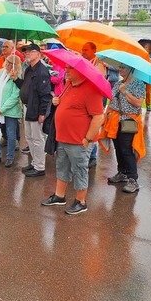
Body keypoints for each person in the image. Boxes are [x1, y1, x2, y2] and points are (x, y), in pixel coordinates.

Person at [41, 64, 105, 215]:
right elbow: (67, 103)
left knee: (79, 170)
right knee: (62, 166)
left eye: (70, 68)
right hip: (63, 137)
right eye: (66, 68)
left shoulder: (91, 90)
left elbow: (98, 117)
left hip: (79, 140)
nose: (66, 71)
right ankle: (59, 196)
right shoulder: (68, 84)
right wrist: (57, 101)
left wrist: (88, 139)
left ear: (80, 71)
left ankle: (81, 202)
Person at [100, 64, 146, 193]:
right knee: (118, 148)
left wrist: (125, 91)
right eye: (119, 68)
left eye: (123, 68)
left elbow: (138, 103)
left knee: (126, 149)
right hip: (115, 121)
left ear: (131, 69)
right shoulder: (118, 83)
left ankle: (133, 179)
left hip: (128, 121)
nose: (120, 70)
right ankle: (122, 172)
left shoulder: (138, 84)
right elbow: (112, 100)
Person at [13, 43, 52, 177]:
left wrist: (42, 113)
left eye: (30, 51)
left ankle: (40, 167)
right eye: (25, 52)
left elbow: (45, 95)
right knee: (29, 137)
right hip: (28, 107)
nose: (26, 53)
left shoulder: (42, 71)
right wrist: (16, 79)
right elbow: (24, 86)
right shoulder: (29, 69)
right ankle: (34, 162)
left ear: (38, 54)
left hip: (35, 109)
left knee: (37, 139)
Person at [80, 41, 107, 167]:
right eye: (82, 50)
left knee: (94, 125)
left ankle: (93, 156)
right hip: (86, 98)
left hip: (95, 99)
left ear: (93, 51)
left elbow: (100, 81)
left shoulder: (99, 64)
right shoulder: (85, 62)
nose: (83, 52)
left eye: (86, 50)